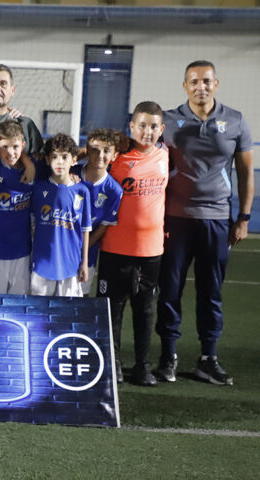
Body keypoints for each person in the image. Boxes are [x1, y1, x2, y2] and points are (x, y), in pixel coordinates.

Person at [156, 61, 255, 386]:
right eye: (194, 81)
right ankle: (168, 355)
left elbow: (245, 173)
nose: (201, 86)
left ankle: (207, 358)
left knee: (210, 292)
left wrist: (243, 218)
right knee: (170, 290)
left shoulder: (236, 120)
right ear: (185, 86)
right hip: (175, 220)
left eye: (207, 81)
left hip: (216, 220)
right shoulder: (167, 121)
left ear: (216, 83)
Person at [98, 101, 169, 386]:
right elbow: (86, 162)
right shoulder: (116, 157)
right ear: (131, 126)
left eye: (153, 126)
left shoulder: (165, 154)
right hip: (115, 246)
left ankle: (143, 366)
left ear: (161, 129)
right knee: (112, 309)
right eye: (142, 125)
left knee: (145, 309)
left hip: (151, 249)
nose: (147, 131)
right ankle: (113, 364)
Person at [30, 133, 91, 298]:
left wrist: (84, 263)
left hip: (70, 265)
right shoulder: (38, 188)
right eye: (54, 156)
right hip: (42, 264)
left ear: (73, 160)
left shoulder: (82, 191)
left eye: (65, 157)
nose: (59, 161)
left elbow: (85, 230)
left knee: (67, 317)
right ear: (48, 159)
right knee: (39, 315)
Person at [0, 121, 33, 295]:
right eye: (5, 147)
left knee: (19, 303)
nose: (10, 152)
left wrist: (29, 163)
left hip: (22, 249)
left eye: (16, 147)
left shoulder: (34, 168)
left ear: (23, 146)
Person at [74, 129, 124, 296]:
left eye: (106, 151)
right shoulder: (70, 174)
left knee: (81, 298)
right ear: (86, 151)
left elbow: (103, 227)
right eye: (95, 150)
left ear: (114, 155)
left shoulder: (114, 191)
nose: (100, 155)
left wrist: (83, 249)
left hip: (86, 253)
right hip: (60, 249)